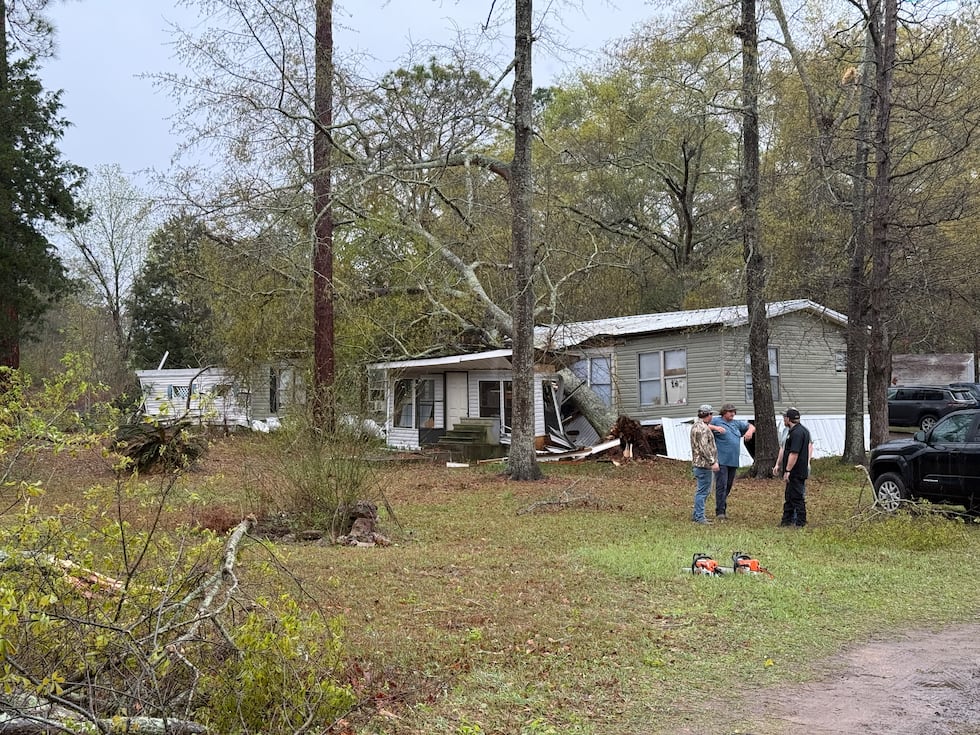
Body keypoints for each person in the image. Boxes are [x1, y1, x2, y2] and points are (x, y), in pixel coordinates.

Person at [710, 403, 756, 520]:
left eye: (734, 412)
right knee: (722, 485)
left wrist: (749, 431)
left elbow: (751, 426)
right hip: (721, 460)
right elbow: (702, 426)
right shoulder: (716, 421)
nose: (732, 414)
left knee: (729, 485)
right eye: (730, 412)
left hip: (733, 460)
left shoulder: (736, 423)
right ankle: (720, 511)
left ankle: (723, 506)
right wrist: (715, 428)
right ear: (724, 412)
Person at [772, 407, 813, 527]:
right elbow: (784, 449)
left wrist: (788, 470)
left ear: (788, 419)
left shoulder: (797, 433)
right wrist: (779, 464)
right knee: (789, 496)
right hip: (794, 470)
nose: (784, 419)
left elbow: (794, 453)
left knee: (797, 496)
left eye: (785, 417)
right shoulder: (796, 431)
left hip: (796, 471)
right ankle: (786, 521)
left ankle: (800, 521)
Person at [690, 404, 719, 525]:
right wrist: (712, 461)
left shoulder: (696, 426)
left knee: (701, 490)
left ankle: (697, 514)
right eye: (711, 414)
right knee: (703, 491)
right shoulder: (702, 429)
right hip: (703, 465)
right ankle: (699, 517)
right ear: (708, 415)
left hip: (699, 464)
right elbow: (704, 448)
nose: (712, 416)